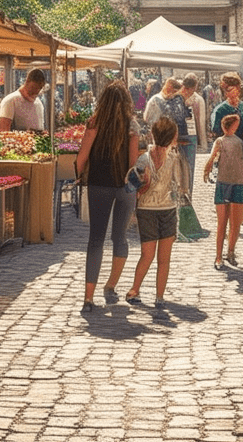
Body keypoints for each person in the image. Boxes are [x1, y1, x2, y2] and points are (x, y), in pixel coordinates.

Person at [75, 81, 139, 312]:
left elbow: (81, 158)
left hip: (98, 185)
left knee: (96, 239)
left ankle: (88, 298)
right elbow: (133, 165)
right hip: (124, 188)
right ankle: (110, 286)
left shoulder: (94, 124)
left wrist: (78, 175)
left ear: (103, 101)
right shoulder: (132, 127)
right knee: (120, 238)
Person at [125, 116, 187, 311]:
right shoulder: (174, 159)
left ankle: (135, 290)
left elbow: (131, 185)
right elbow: (179, 185)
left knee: (146, 255)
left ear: (152, 134)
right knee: (164, 258)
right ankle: (159, 296)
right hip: (167, 210)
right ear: (171, 139)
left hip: (146, 211)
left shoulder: (143, 159)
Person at [203, 113, 243, 269]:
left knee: (229, 223)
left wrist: (207, 169)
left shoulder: (235, 142)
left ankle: (226, 253)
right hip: (230, 183)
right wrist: (207, 168)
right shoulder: (225, 141)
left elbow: (212, 158)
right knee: (227, 223)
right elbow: (212, 158)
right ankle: (223, 254)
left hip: (234, 183)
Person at [210, 71, 243, 169]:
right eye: (223, 89)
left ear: (238, 87)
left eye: (228, 89)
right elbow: (216, 136)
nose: (225, 93)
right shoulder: (219, 111)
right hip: (226, 160)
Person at [179, 74, 208, 195]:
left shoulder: (193, 98)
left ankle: (186, 194)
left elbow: (201, 120)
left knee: (185, 168)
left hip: (186, 136)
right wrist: (203, 142)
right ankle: (187, 193)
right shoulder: (195, 99)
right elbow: (201, 121)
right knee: (187, 168)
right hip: (190, 137)